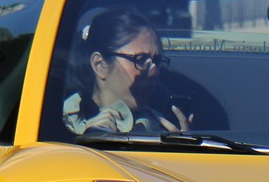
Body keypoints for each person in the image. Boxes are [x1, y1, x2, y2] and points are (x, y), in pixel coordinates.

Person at [62, 8, 193, 135]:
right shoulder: (59, 125)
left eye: (157, 61)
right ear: (99, 65)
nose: (155, 72)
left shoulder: (163, 128)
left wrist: (180, 147)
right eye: (140, 60)